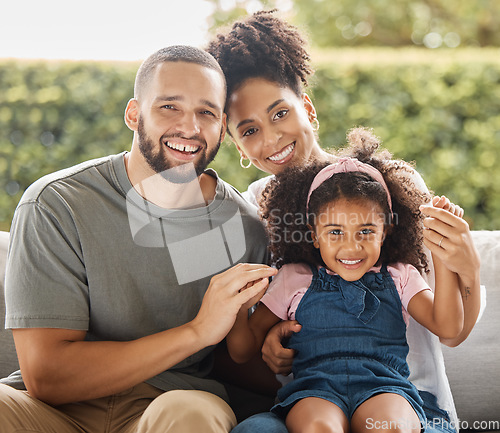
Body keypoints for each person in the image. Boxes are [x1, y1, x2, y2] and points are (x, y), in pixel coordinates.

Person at [207, 10, 481, 433]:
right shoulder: (256, 207)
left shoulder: (391, 187)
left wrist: (469, 268)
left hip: (407, 396)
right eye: (249, 130)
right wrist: (271, 344)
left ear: (308, 110)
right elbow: (258, 327)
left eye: (280, 114)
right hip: (315, 398)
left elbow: (451, 329)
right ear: (238, 145)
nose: (272, 138)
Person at [0, 45, 277, 433]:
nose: (190, 127)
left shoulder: (242, 228)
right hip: (52, 413)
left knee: (193, 414)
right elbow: (48, 378)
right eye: (169, 107)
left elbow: (239, 351)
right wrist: (197, 331)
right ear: (134, 114)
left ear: (222, 127)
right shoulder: (58, 204)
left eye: (206, 113)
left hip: (170, 406)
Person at [227, 129, 465, 433]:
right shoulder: (292, 277)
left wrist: (443, 254)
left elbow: (448, 326)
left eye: (366, 231)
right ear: (313, 235)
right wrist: (237, 311)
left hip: (385, 388)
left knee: (389, 427)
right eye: (335, 232)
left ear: (386, 230)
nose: (351, 247)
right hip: (315, 391)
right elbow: (241, 351)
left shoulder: (400, 275)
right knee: (319, 428)